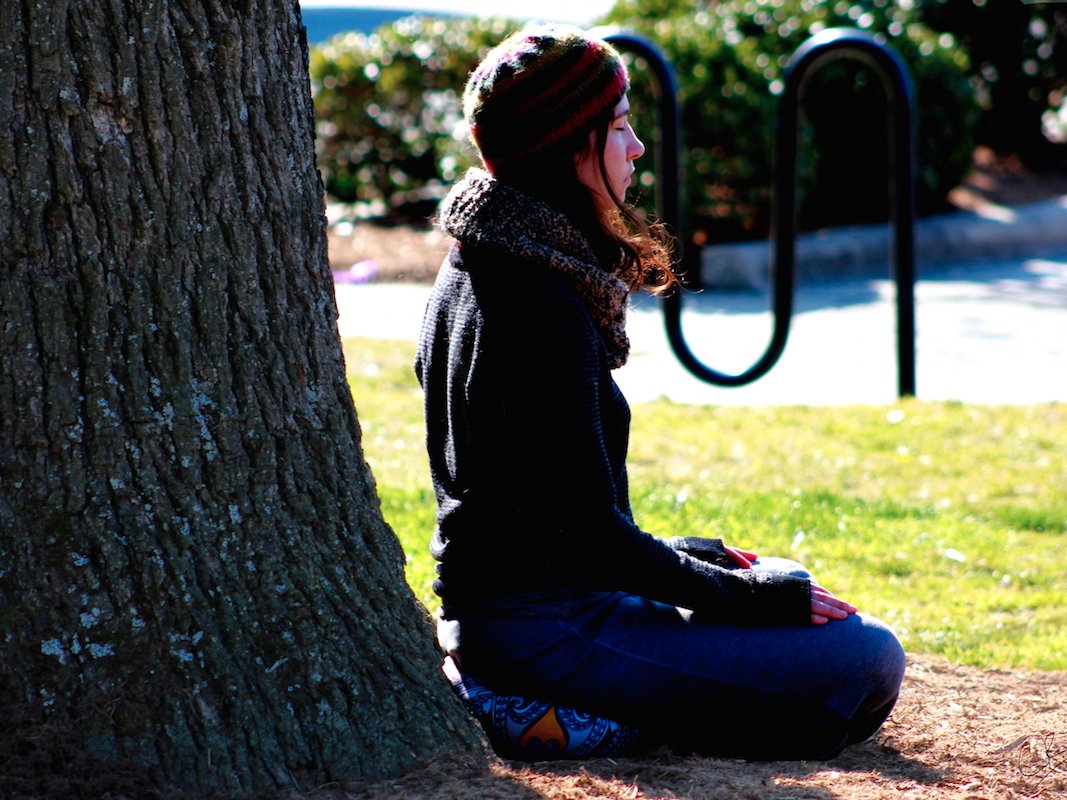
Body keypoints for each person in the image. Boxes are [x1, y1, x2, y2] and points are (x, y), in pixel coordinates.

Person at [414, 23, 906, 761]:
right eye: (616, 127)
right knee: (864, 658)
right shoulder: (531, 302)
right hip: (542, 628)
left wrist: (706, 557)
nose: (636, 146)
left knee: (792, 586)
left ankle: (608, 710)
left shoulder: (484, 259)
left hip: (537, 604)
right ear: (564, 145)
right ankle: (550, 716)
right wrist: (747, 598)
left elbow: (547, 514)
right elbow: (584, 537)